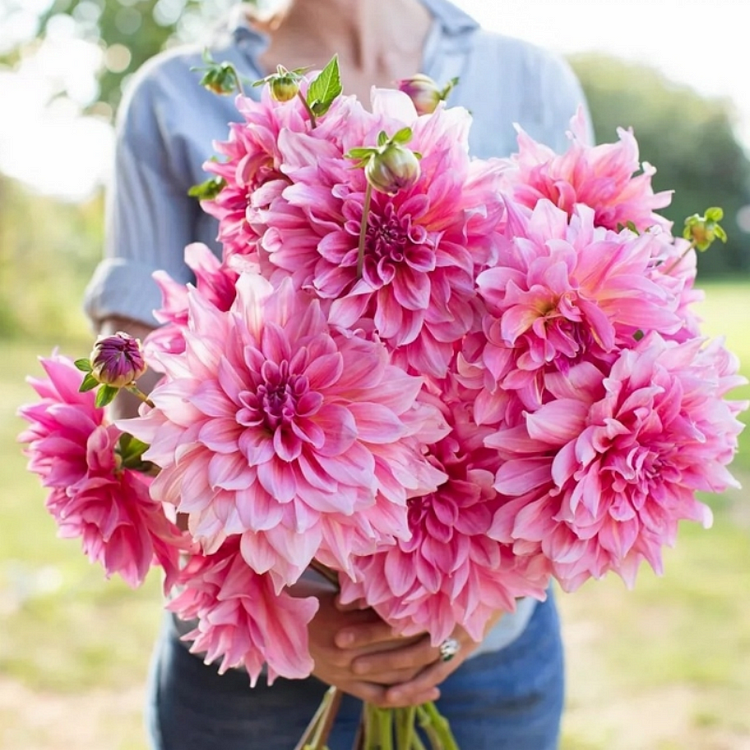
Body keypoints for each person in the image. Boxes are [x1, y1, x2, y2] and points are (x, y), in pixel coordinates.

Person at [83, 1, 592, 748]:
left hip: (483, 650)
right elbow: (134, 381)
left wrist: (466, 605)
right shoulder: (174, 93)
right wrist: (293, 613)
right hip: (258, 660)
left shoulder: (529, 77)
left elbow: (590, 365)